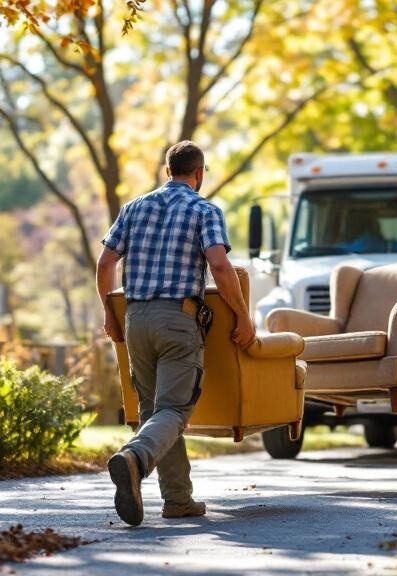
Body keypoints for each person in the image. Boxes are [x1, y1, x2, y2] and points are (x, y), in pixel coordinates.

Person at [96, 141, 256, 526]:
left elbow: (105, 262)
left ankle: (178, 499)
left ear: (168, 170)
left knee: (155, 411)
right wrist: (243, 316)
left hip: (136, 319)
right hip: (177, 321)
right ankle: (134, 458)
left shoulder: (133, 209)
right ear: (198, 173)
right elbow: (219, 266)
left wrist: (110, 312)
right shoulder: (204, 210)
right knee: (174, 410)